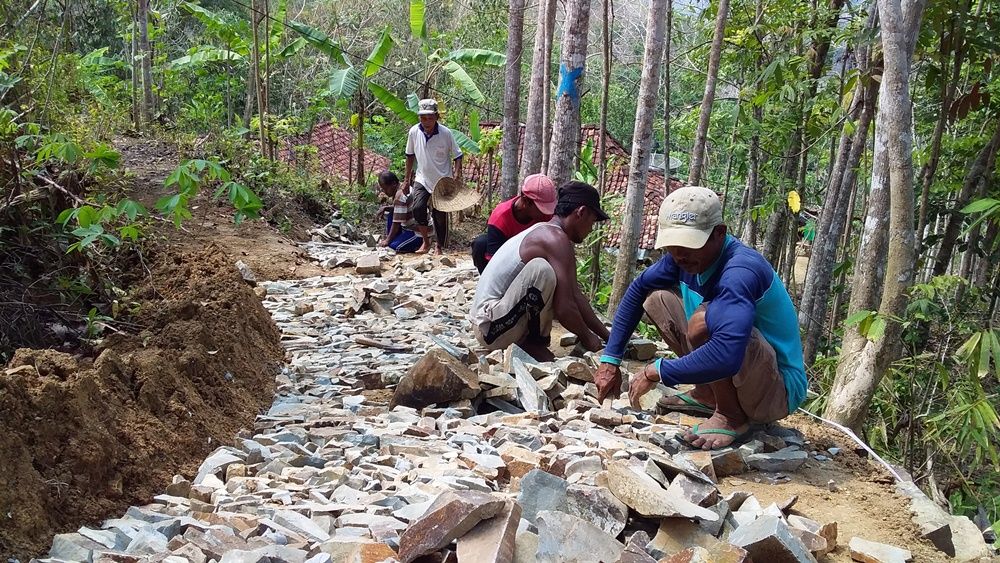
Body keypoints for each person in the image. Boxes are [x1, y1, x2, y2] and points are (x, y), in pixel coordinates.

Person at [594, 186, 807, 451]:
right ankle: (708, 394)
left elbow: (727, 353)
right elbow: (638, 289)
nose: (680, 254)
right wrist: (610, 360)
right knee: (657, 299)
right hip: (742, 366)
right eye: (674, 246)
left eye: (690, 244)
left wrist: (657, 370)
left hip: (777, 389)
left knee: (703, 322)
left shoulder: (740, 271)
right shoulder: (682, 258)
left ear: (719, 233)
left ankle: (731, 417)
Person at [470, 181, 611, 362]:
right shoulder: (555, 238)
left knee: (555, 279)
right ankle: (535, 343)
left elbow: (575, 295)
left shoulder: (551, 233)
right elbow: (565, 307)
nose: (591, 229)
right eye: (592, 221)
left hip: (493, 322)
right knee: (542, 271)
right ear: (581, 212)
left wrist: (607, 337)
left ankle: (530, 341)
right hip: (489, 329)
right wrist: (588, 338)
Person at [403, 99, 463, 254]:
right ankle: (426, 241)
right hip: (422, 177)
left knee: (440, 214)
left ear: (436, 117)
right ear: (419, 118)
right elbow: (409, 156)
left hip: (442, 179)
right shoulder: (414, 132)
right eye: (423, 118)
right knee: (418, 208)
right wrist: (406, 179)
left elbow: (458, 155)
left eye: (430, 118)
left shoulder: (446, 133)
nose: (426, 122)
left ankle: (440, 246)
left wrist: (456, 174)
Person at [471, 174, 557, 273]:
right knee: (480, 244)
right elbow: (494, 262)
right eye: (542, 208)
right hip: (506, 260)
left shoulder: (547, 216)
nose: (546, 213)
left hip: (535, 259)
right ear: (526, 201)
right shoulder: (500, 217)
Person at [377, 171, 422, 253]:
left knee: (395, 247)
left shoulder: (400, 195)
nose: (384, 192)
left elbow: (397, 222)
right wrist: (386, 208)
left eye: (385, 188)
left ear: (393, 184)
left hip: (417, 232)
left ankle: (419, 244)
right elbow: (400, 210)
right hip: (408, 227)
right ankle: (395, 238)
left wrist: (387, 241)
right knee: (392, 213)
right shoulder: (403, 187)